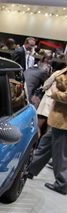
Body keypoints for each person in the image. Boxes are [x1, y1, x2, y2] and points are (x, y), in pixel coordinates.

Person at [44, 66, 67, 195]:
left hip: (63, 120)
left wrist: (54, 92)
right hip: (59, 118)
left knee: (61, 154)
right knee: (45, 144)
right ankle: (30, 169)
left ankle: (62, 184)